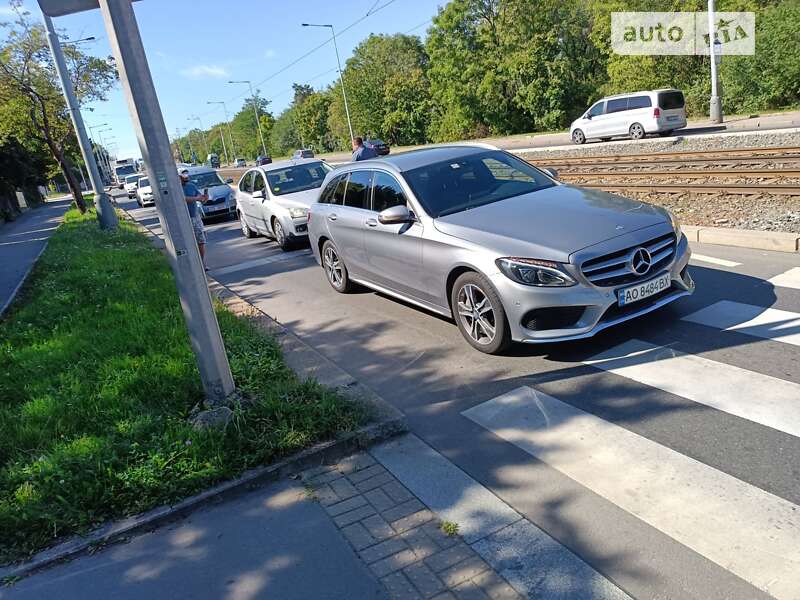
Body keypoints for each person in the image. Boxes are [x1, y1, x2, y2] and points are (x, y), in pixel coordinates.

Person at [179, 169, 208, 269]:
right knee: (188, 242)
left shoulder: (191, 186)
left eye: (186, 176)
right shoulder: (176, 188)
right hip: (183, 219)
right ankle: (191, 264)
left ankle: (202, 263)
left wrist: (204, 198)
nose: (186, 178)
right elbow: (183, 199)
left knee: (201, 240)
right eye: (184, 176)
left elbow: (200, 197)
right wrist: (197, 198)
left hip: (195, 217)